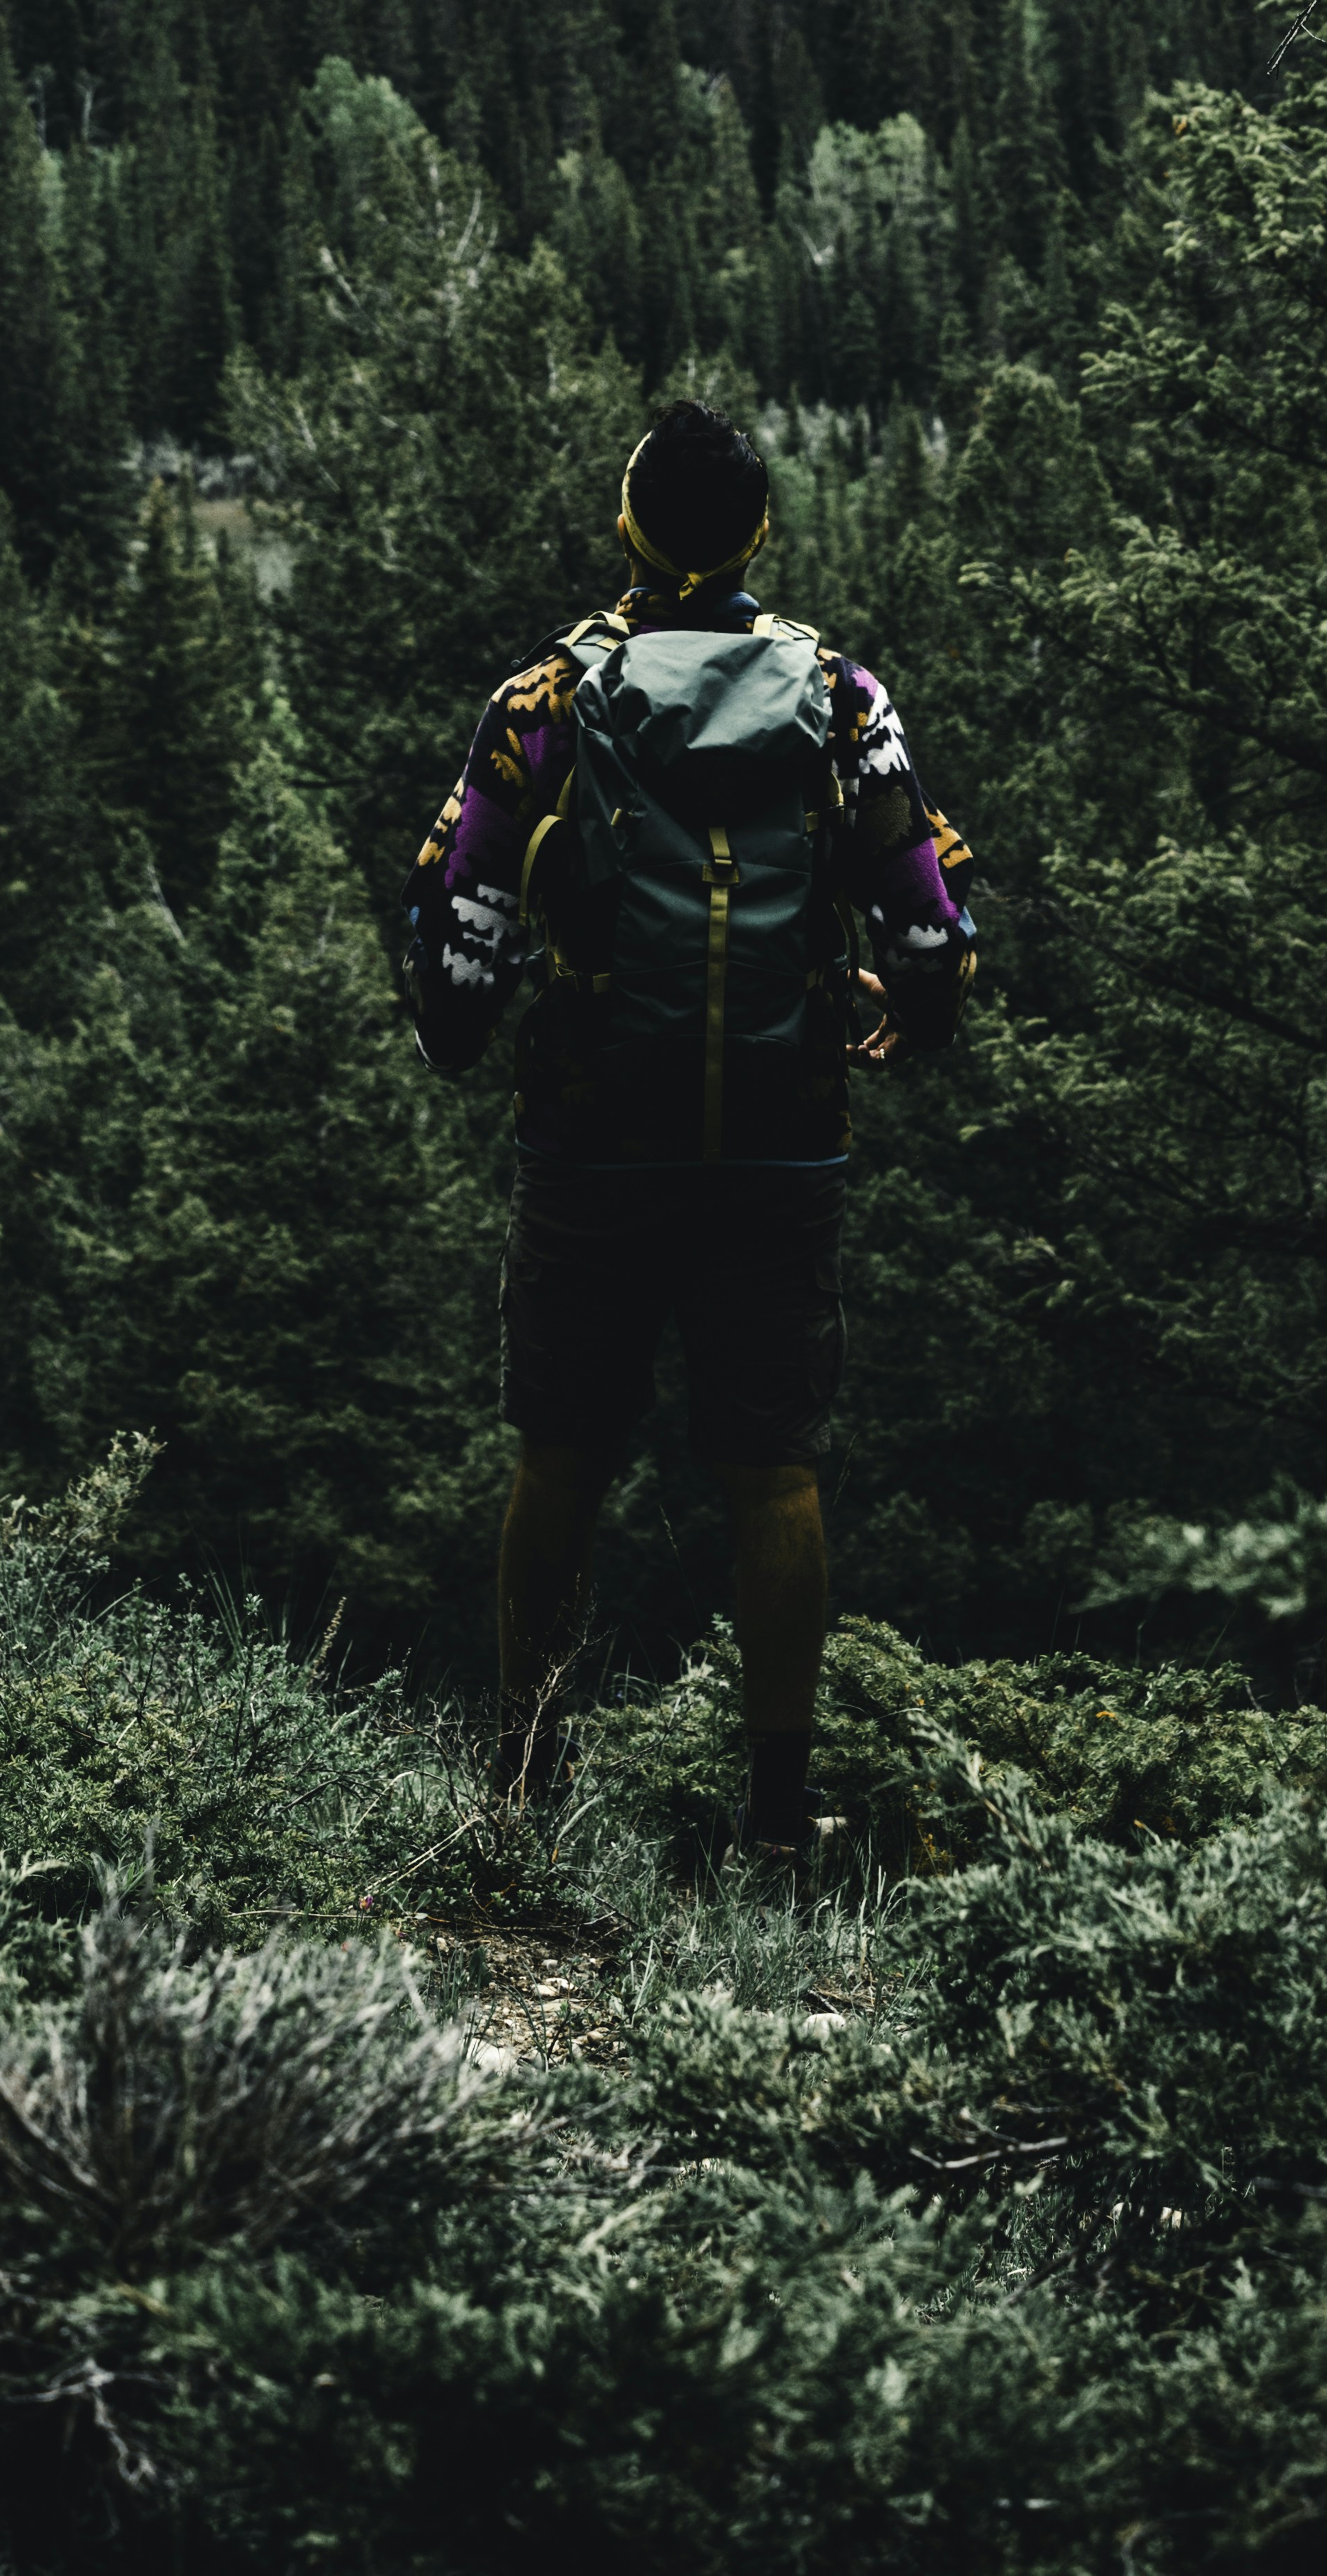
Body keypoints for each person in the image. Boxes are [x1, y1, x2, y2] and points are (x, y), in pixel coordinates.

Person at [401, 398, 975, 1868]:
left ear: (626, 528)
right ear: (760, 534)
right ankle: (776, 1822)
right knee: (771, 1472)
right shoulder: (840, 696)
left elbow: (453, 952)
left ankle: (527, 1790)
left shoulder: (543, 701)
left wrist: (485, 1017)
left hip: (593, 1139)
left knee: (559, 1456)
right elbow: (927, 926)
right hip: (777, 1138)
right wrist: (904, 1006)